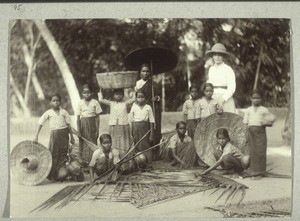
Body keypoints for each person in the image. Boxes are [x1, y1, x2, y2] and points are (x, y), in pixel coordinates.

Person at [33, 93, 75, 181]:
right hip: (54, 135)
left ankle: (63, 174)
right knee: (54, 154)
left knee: (64, 154)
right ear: (50, 102)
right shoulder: (48, 113)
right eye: (53, 101)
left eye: (57, 101)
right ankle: (52, 175)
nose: (56, 102)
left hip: (64, 134)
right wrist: (36, 136)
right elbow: (40, 123)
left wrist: (72, 137)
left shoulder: (64, 112)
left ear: (60, 102)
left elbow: (68, 125)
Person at [243, 89, 275, 180]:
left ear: (261, 99)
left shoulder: (264, 110)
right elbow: (245, 123)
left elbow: (271, 120)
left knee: (260, 152)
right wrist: (246, 134)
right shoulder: (248, 110)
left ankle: (260, 172)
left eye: (258, 98)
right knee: (252, 152)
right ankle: (253, 171)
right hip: (251, 132)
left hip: (261, 133)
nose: (256, 100)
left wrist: (266, 122)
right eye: (254, 98)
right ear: (250, 99)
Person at [134, 63, 162, 160]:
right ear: (140, 72)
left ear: (150, 73)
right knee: (144, 129)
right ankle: (143, 151)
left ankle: (155, 152)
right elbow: (136, 97)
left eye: (147, 71)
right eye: (143, 71)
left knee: (154, 128)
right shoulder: (137, 84)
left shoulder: (154, 84)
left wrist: (156, 98)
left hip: (153, 108)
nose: (145, 73)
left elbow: (159, 96)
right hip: (142, 107)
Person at [99, 88, 135, 159]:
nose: (119, 96)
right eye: (117, 94)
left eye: (121, 94)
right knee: (114, 140)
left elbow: (134, 99)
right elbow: (101, 100)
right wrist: (100, 90)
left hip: (123, 124)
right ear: (113, 95)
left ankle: (125, 156)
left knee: (124, 141)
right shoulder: (111, 103)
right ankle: (114, 156)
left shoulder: (125, 103)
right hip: (114, 125)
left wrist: (133, 88)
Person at [206, 43, 236, 113]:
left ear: (223, 56)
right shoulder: (211, 69)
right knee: (213, 121)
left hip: (226, 98)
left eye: (220, 55)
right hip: (213, 98)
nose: (217, 57)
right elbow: (209, 85)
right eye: (215, 55)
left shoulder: (228, 69)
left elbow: (232, 88)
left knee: (227, 121)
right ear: (212, 56)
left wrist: (223, 99)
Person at [76, 84, 102, 166]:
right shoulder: (80, 103)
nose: (86, 94)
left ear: (92, 93)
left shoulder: (95, 102)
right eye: (84, 93)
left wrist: (97, 130)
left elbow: (98, 117)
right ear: (82, 93)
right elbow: (77, 118)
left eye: (88, 92)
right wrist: (78, 131)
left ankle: (92, 162)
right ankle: (84, 163)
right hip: (83, 124)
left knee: (92, 142)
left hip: (92, 124)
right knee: (83, 142)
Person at [129, 90, 155, 166]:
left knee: (146, 145)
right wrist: (131, 133)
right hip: (135, 128)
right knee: (137, 144)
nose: (140, 99)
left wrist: (151, 134)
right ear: (136, 98)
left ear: (146, 98)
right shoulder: (133, 107)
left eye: (142, 97)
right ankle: (139, 164)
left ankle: (148, 163)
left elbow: (152, 121)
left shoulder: (148, 107)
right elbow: (131, 120)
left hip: (145, 129)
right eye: (138, 97)